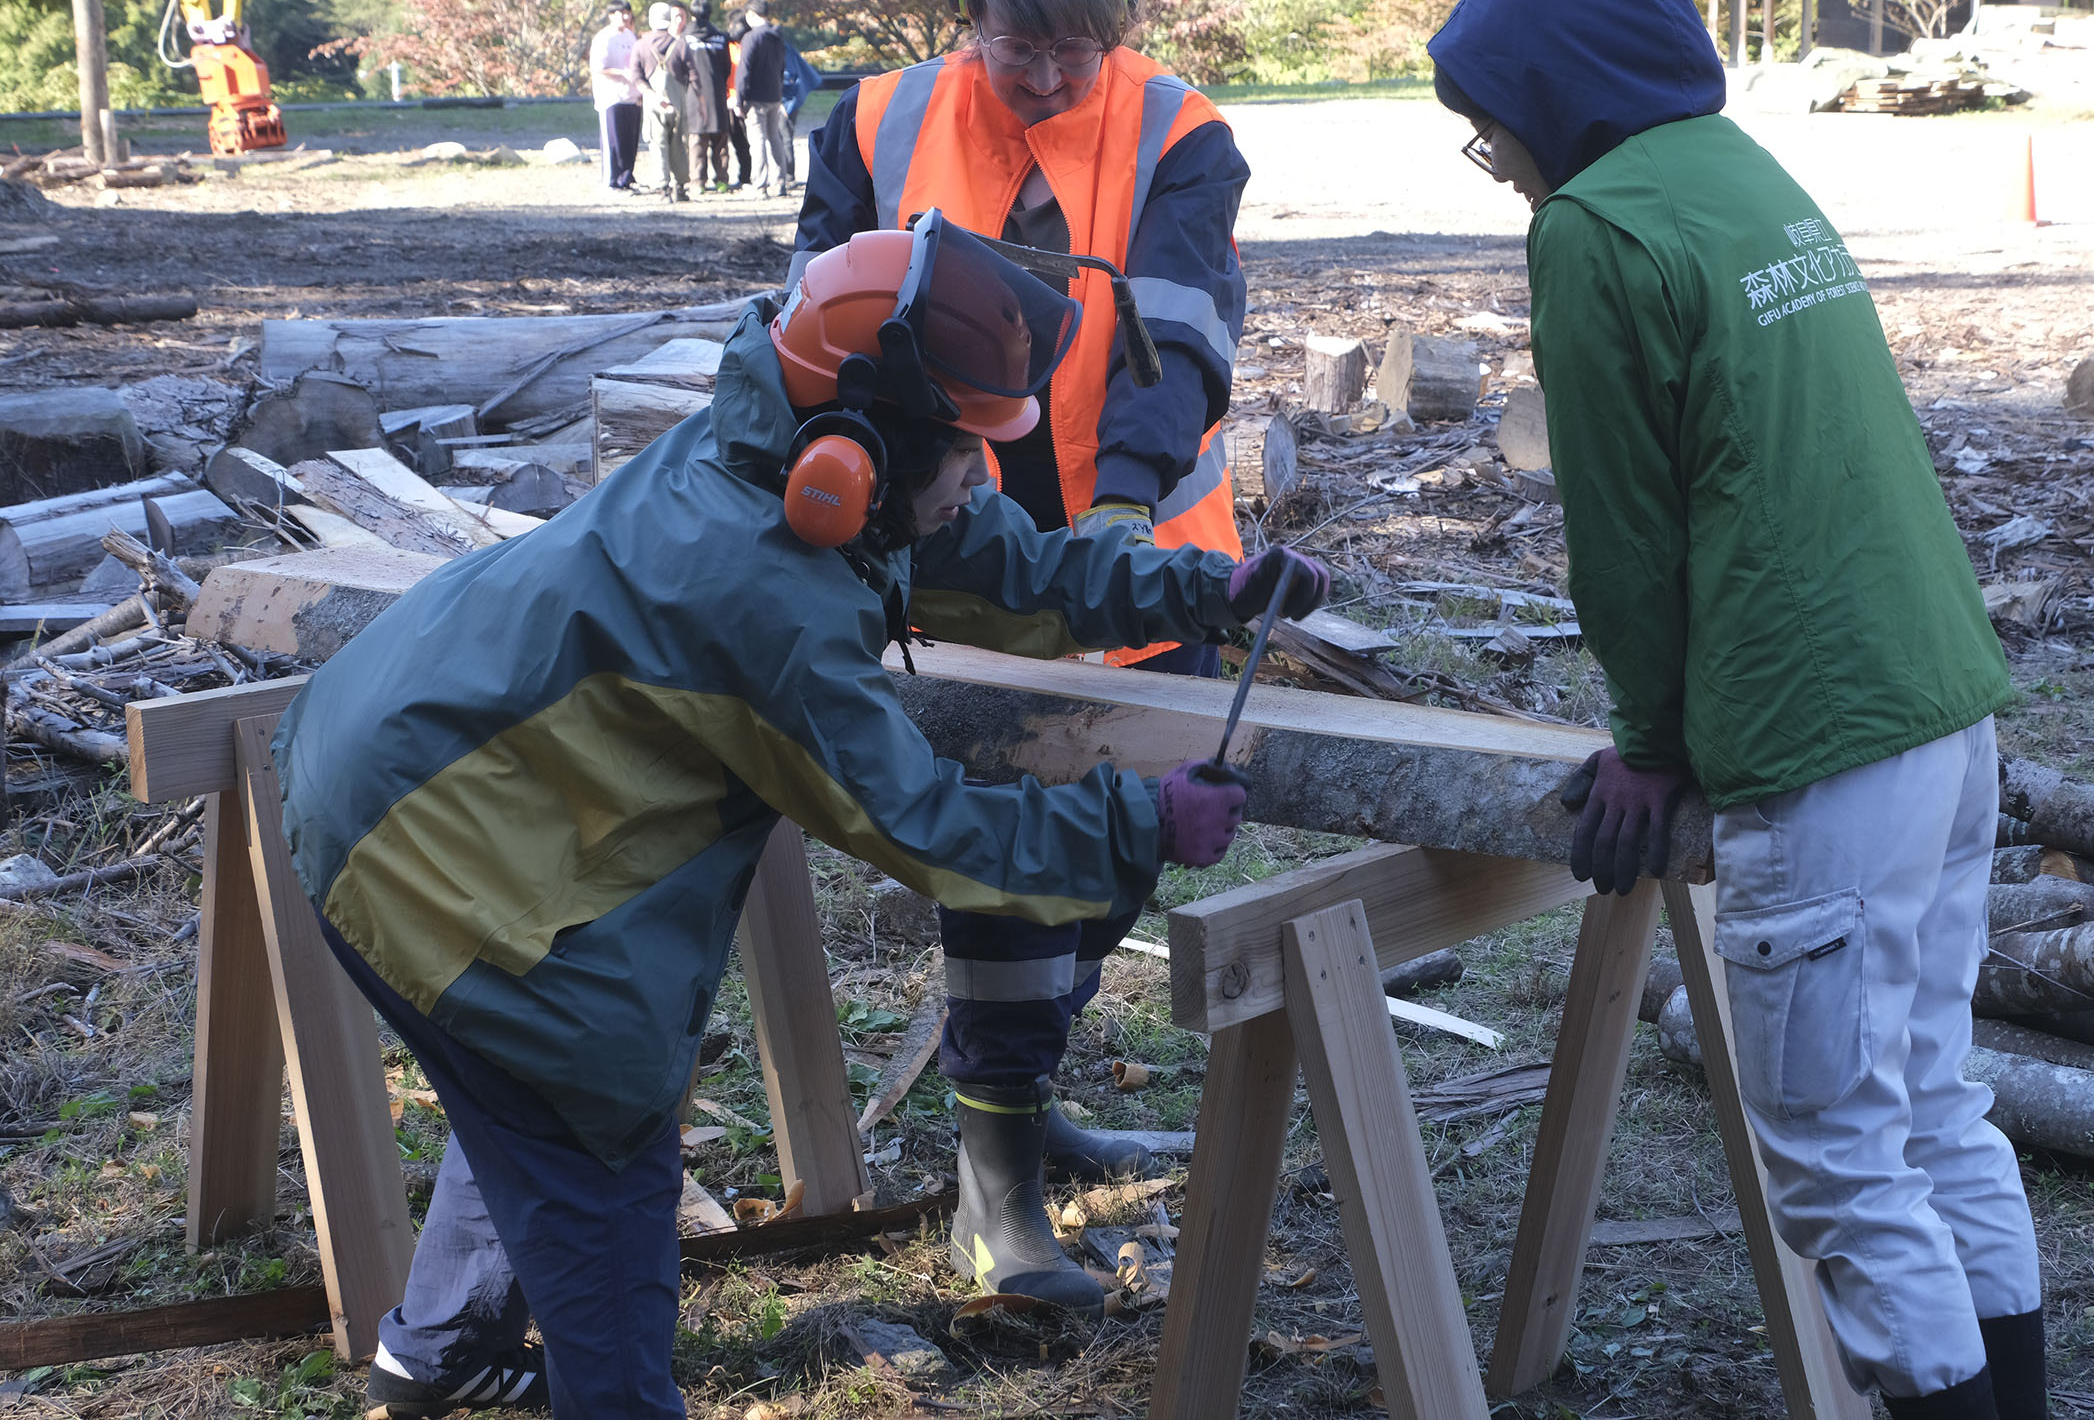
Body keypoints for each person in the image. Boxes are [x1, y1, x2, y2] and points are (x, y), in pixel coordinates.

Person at [279, 212, 1330, 1417]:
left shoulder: (811, 467)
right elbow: (923, 826)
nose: (979, 478)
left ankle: (438, 1352)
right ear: (868, 445)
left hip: (394, 763)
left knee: (522, 1093)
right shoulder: (759, 584)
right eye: (965, 452)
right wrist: (1135, 827)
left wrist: (1212, 586)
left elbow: (1023, 571)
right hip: (428, 839)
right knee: (590, 1141)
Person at [1428, 0, 2043, 1420]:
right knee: (1938, 1105)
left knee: (1837, 1160)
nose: (1493, 154)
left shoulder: (1593, 229)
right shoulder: (1741, 171)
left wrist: (1645, 740)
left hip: (1819, 741)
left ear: (1550, 94)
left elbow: (1629, 531)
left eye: (1488, 122)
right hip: (1940, 710)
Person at [790, 0, 1252, 1312]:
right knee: (1010, 848)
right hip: (952, 547)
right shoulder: (871, 124)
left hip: (1134, 528)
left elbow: (1178, 331)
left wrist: (1119, 505)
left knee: (1106, 861)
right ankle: (999, 1200)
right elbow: (821, 319)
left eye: (1080, 49)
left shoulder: (1179, 131)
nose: (1052, 75)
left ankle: (1023, 1095)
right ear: (964, 12)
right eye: (1020, 45)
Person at [733, 0, 795, 199]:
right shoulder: (777, 36)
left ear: (751, 14)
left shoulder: (752, 37)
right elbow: (782, 66)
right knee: (774, 138)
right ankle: (780, 182)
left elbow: (744, 71)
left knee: (757, 140)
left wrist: (739, 99)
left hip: (756, 98)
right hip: (774, 95)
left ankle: (760, 185)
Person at [630, 1, 690, 202]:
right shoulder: (681, 45)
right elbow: (691, 74)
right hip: (678, 101)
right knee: (679, 144)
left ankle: (663, 189)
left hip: (652, 101)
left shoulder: (641, 45)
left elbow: (636, 76)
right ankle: (680, 187)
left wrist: (650, 94)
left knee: (657, 144)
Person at [675, 0, 734, 194]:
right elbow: (727, 67)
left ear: (692, 14)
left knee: (697, 140)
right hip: (717, 95)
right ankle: (722, 180)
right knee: (720, 141)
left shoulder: (685, 38)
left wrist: (685, 82)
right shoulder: (720, 37)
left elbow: (675, 65)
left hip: (694, 94)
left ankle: (698, 182)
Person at [588, 0, 642, 192]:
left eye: (628, 13)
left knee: (630, 141)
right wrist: (621, 73)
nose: (626, 17)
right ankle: (611, 181)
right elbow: (598, 68)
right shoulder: (604, 38)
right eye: (621, 13)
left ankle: (626, 179)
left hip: (632, 96)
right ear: (611, 15)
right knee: (614, 142)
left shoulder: (630, 36)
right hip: (612, 97)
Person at [724, 14, 754, 190]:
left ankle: (746, 176)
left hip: (744, 100)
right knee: (734, 141)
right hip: (728, 98)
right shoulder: (727, 46)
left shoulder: (749, 46)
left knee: (746, 141)